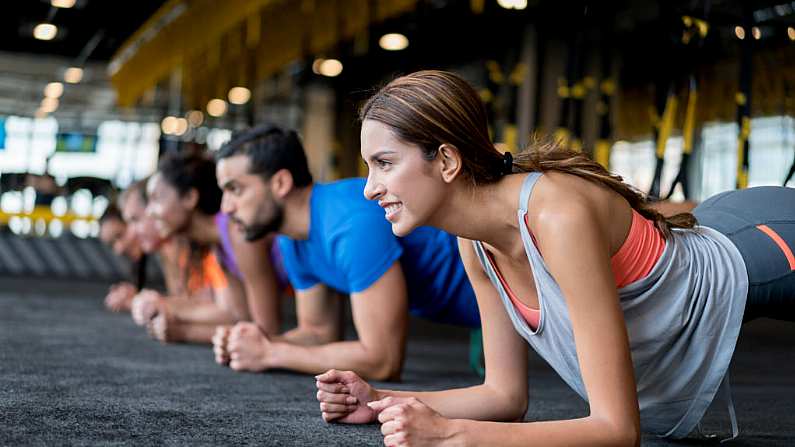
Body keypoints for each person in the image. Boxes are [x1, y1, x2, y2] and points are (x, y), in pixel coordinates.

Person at [314, 70, 795, 445]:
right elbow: (504, 397)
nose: (370, 188)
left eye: (384, 163)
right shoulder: (475, 241)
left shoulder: (556, 218)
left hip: (767, 241)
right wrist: (380, 400)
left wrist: (452, 435)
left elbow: (616, 430)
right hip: (724, 226)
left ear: (445, 161)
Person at [211, 124, 480, 380]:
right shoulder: (292, 239)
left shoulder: (348, 223)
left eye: (235, 189)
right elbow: (317, 333)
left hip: (511, 298)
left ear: (280, 182)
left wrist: (271, 353)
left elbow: (383, 360)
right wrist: (253, 344)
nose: (226, 208)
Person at [141, 151, 285, 344]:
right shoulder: (218, 243)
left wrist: (185, 332)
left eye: (156, 199)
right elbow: (238, 314)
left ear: (190, 198)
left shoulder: (237, 231)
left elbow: (266, 332)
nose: (149, 211)